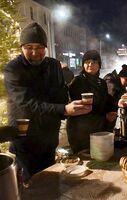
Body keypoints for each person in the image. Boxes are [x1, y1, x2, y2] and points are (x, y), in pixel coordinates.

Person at [4, 22, 92, 181]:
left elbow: (60, 92)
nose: (34, 52)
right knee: (32, 185)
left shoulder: (53, 65)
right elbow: (28, 103)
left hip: (49, 137)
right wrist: (64, 109)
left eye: (39, 47)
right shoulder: (13, 68)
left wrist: (72, 106)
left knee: (51, 181)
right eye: (29, 47)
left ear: (45, 47)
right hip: (26, 138)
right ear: (21, 48)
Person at [66, 50, 117, 153]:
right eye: (87, 62)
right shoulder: (77, 82)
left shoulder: (101, 83)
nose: (90, 64)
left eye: (94, 62)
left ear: (99, 65)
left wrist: (114, 107)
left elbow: (104, 102)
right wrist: (104, 118)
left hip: (98, 130)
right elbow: (79, 110)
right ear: (83, 64)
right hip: (80, 133)